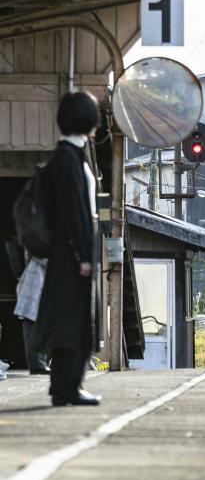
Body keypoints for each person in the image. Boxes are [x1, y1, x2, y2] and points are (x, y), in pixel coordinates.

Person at [33, 91, 102, 407]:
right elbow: (75, 213)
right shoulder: (69, 159)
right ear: (89, 121)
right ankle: (68, 386)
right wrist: (83, 257)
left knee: (68, 320)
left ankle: (64, 386)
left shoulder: (65, 155)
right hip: (73, 255)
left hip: (66, 252)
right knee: (74, 321)